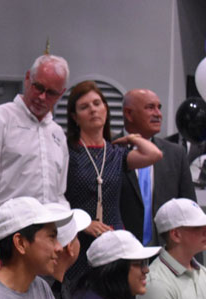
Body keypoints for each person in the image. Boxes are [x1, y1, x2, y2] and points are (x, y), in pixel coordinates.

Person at [0, 54, 71, 283]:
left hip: (41, 242)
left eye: (51, 92)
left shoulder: (57, 134)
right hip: (2, 236)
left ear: (61, 94)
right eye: (38, 87)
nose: (42, 97)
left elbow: (59, 195)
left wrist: (65, 237)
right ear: (27, 79)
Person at [65, 81, 162, 281]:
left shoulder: (116, 153)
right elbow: (56, 199)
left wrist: (132, 139)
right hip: (80, 238)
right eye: (84, 107)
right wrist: (82, 223)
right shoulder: (68, 153)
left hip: (113, 239)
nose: (93, 110)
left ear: (106, 109)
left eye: (97, 103)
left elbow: (154, 155)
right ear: (75, 117)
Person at [119, 89, 196, 246]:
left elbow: (190, 211)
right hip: (121, 253)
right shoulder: (110, 150)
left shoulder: (176, 154)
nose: (158, 114)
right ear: (128, 113)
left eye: (159, 107)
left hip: (164, 254)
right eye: (150, 107)